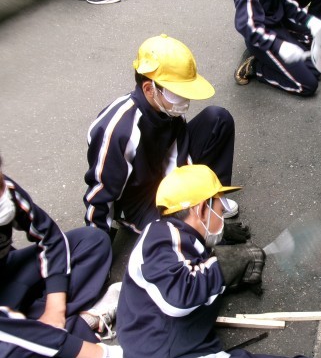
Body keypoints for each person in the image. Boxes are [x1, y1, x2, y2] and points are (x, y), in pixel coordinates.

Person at [117, 164, 321, 358]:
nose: (224, 211)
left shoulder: (187, 244)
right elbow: (178, 296)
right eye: (219, 204)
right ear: (200, 209)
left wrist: (232, 276)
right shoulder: (161, 235)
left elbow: (193, 281)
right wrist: (224, 265)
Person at [84, 34, 240, 242]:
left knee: (218, 119)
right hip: (141, 201)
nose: (185, 101)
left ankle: (212, 201)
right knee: (181, 234)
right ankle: (192, 224)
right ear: (149, 89)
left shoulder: (167, 106)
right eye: (178, 93)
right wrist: (96, 247)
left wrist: (196, 195)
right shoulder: (117, 130)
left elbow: (178, 150)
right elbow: (100, 193)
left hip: (165, 175)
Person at [0, 155, 124, 358]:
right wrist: (104, 356)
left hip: (8, 278)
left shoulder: (5, 190)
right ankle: (81, 325)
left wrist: (55, 307)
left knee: (92, 241)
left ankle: (47, 340)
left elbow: (50, 238)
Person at [233, 0, 321, 96]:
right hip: (261, 37)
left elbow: (284, 0)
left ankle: (274, 59)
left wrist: (309, 21)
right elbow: (245, 24)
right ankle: (255, 67)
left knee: (316, 70)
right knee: (308, 85)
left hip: (276, 25)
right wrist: (278, 46)